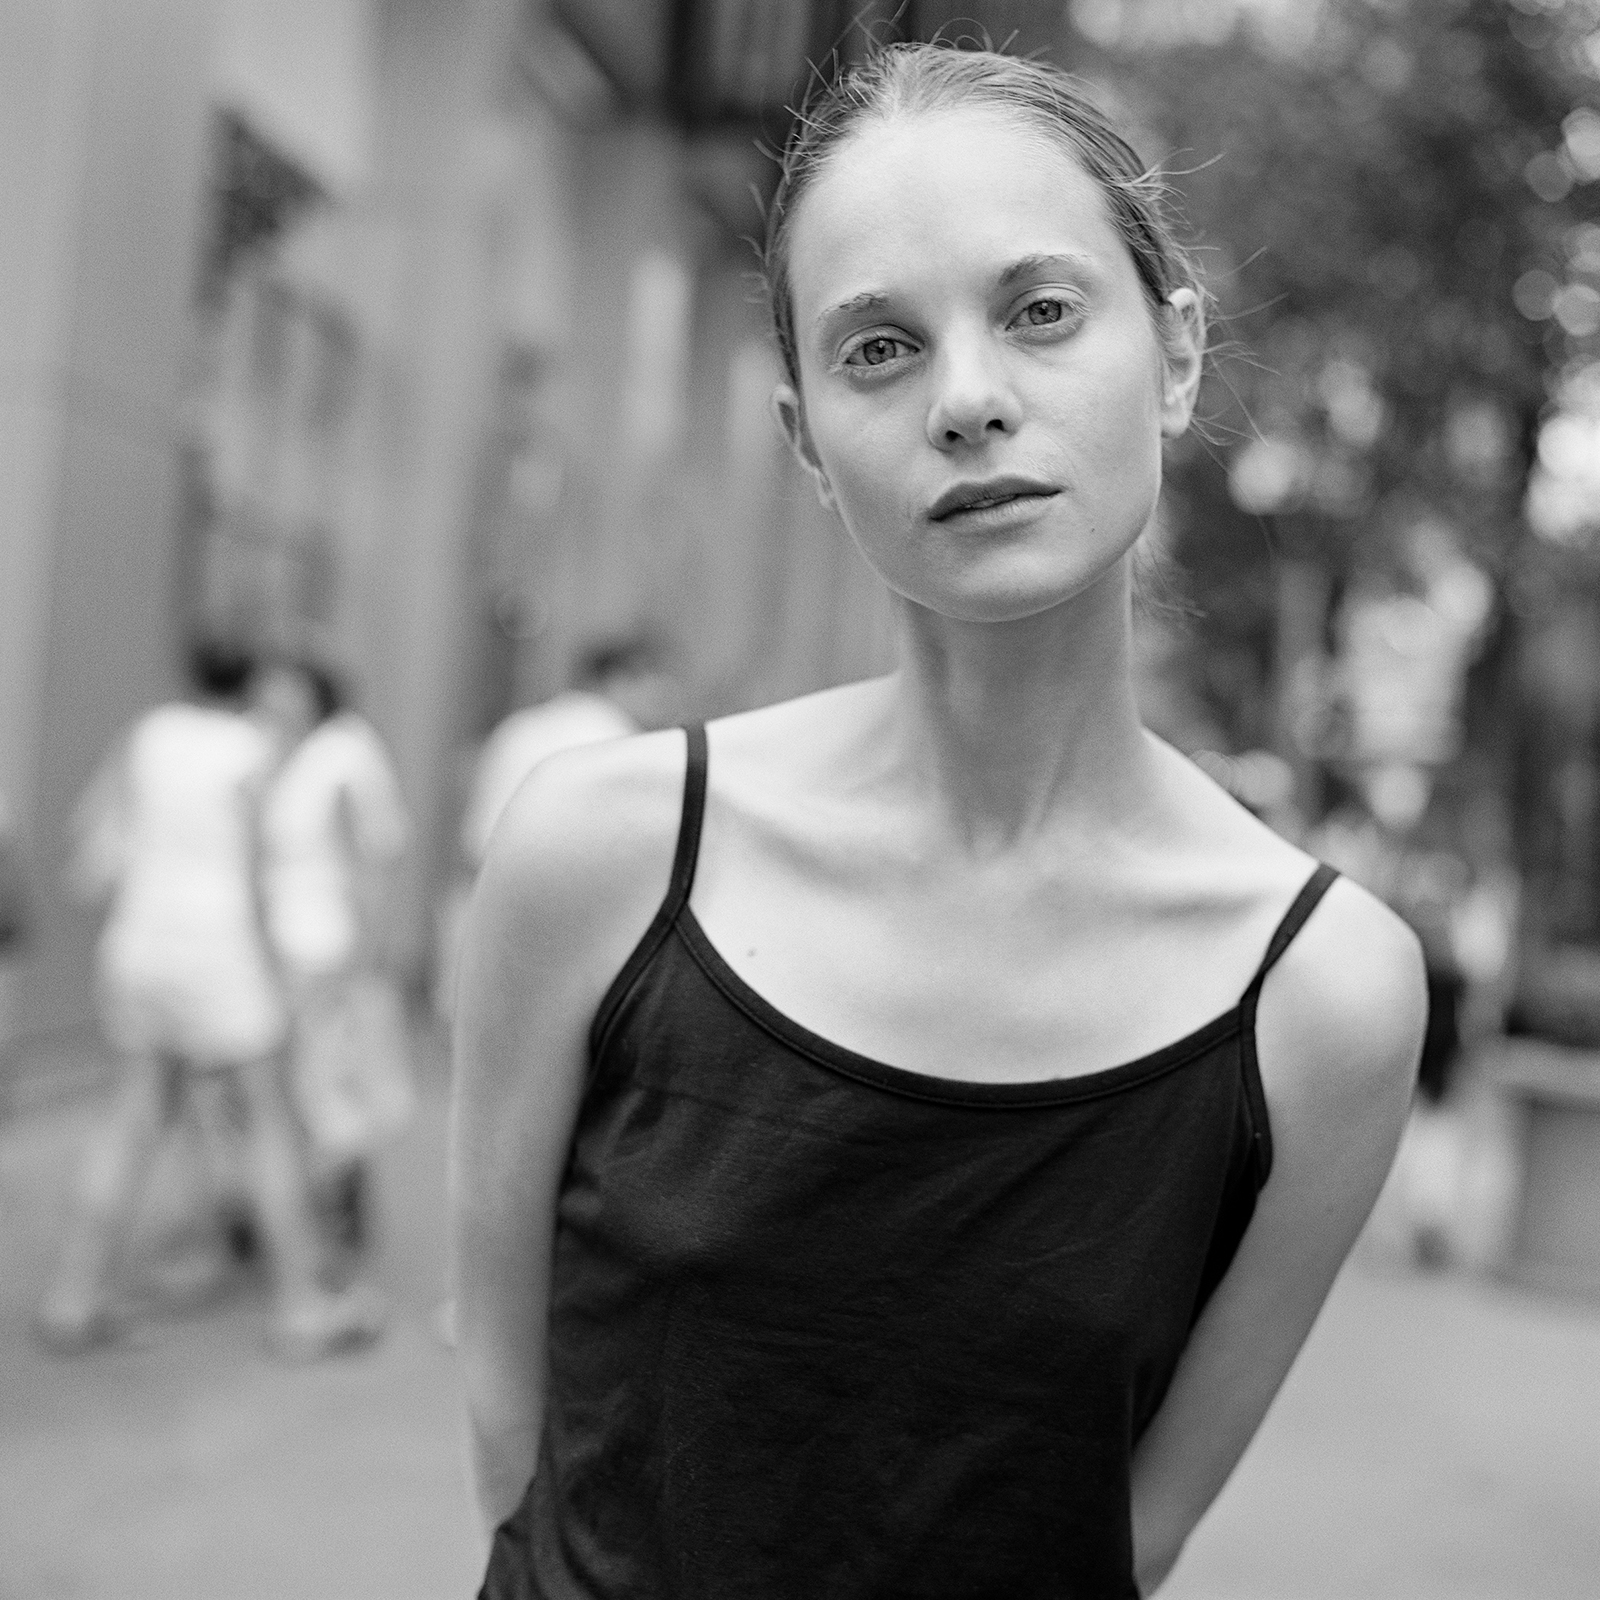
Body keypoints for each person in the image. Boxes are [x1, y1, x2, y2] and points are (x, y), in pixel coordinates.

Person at [452, 44, 1425, 1599]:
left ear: (1175, 354)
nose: (968, 402)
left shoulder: (1326, 995)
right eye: (879, 349)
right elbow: (512, 1441)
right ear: (805, 442)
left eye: (1041, 312)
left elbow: (1130, 1534)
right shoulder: (602, 854)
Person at [38, 638, 383, 1359]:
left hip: (139, 945)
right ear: (253, 681)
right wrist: (274, 974)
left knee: (130, 1118)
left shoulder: (149, 733)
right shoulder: (254, 752)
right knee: (268, 1125)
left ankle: (73, 1294)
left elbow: (105, 833)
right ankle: (300, 1305)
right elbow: (256, 875)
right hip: (220, 953)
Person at [256, 656, 413, 1260]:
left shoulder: (345, 754)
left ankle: (334, 1222)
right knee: (306, 1086)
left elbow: (370, 864)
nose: (271, 698)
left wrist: (360, 960)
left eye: (284, 687)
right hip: (289, 947)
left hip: (326, 948)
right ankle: (311, 1215)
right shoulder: (289, 752)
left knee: (328, 1085)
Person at [436, 635, 675, 1022]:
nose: (665, 696)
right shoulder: (618, 739)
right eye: (657, 681)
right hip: (563, 918)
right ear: (622, 679)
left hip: (484, 895)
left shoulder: (521, 726)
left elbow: (474, 830)